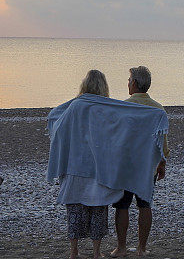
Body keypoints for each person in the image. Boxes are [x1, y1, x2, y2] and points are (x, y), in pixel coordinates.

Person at [47, 70, 168, 259]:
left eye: (129, 81)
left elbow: (57, 120)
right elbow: (115, 133)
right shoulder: (111, 107)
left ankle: (78, 251)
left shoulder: (81, 106)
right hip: (115, 166)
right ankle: (108, 252)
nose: (128, 83)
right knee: (103, 208)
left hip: (90, 166)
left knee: (81, 209)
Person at [111, 66, 169, 258]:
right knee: (145, 206)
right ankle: (142, 249)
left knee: (122, 206)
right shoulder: (158, 108)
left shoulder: (124, 107)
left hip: (126, 166)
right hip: (147, 167)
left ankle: (121, 247)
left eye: (129, 80)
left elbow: (116, 138)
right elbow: (162, 142)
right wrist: (162, 163)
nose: (128, 83)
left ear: (134, 83)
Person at [56, 70, 113, 259]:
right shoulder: (106, 106)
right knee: (98, 208)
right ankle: (96, 253)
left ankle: (74, 252)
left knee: (75, 208)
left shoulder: (75, 106)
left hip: (76, 164)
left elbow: (58, 123)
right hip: (99, 166)